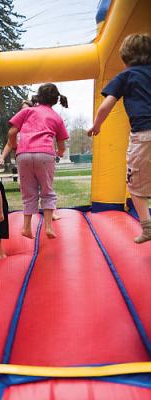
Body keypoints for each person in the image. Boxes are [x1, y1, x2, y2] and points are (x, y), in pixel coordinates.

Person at [87, 33, 151, 244]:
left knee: (135, 187)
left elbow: (106, 105)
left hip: (144, 135)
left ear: (125, 55)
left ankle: (147, 227)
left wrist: (96, 126)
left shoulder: (127, 75)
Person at [8, 83, 69, 239]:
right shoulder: (56, 117)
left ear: (38, 97)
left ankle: (26, 228)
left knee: (28, 192)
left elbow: (12, 131)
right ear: (55, 100)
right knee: (47, 191)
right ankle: (48, 227)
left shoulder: (27, 111)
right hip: (45, 154)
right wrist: (60, 152)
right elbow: (61, 144)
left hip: (24, 154)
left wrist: (14, 145)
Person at [0, 98, 62, 221]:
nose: (24, 112)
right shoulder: (18, 128)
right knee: (29, 190)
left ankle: (51, 212)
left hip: (39, 157)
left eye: (27, 109)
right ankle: (30, 218)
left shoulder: (36, 125)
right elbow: (9, 144)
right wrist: (2, 158)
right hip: (25, 159)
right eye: (22, 110)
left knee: (46, 187)